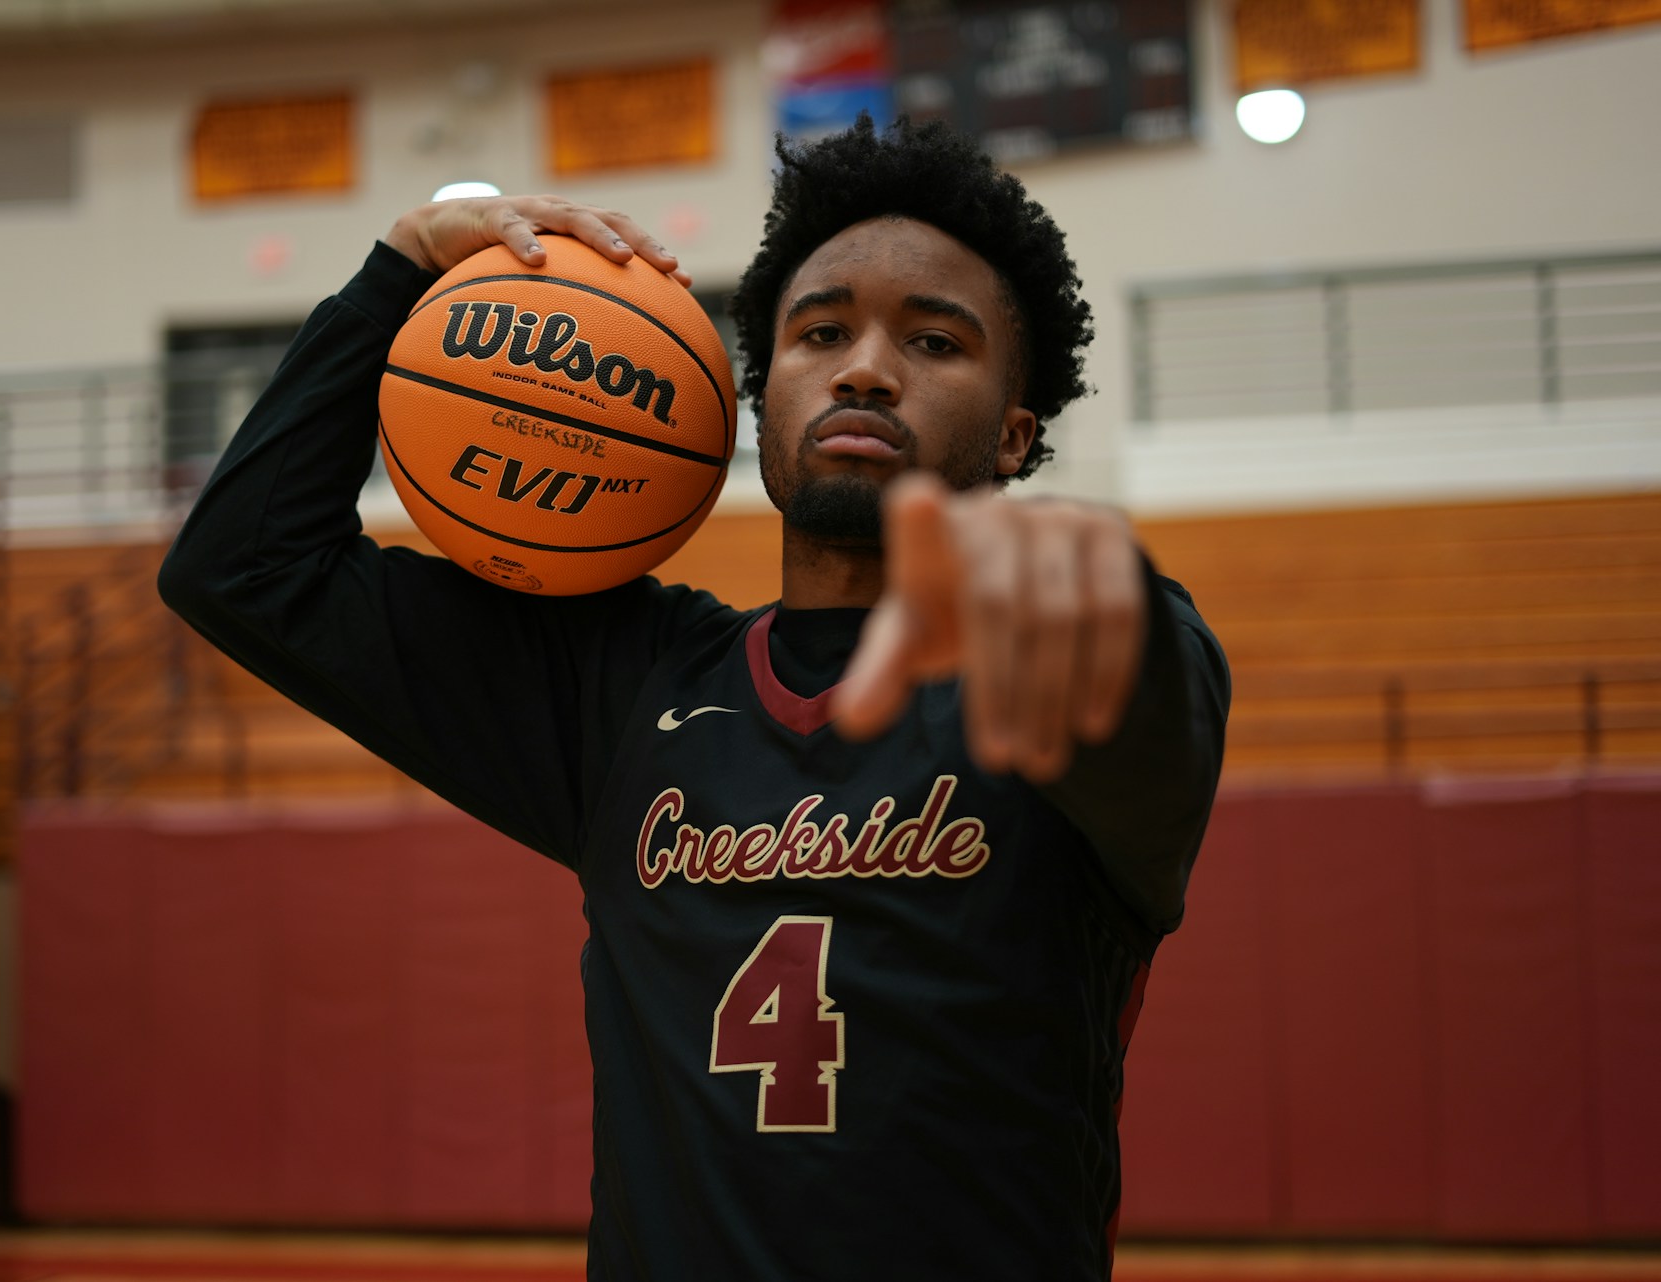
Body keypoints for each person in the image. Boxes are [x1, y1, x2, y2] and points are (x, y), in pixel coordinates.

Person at [160, 116, 1229, 1280]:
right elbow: (244, 569)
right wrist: (403, 268)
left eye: (934, 342)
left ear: (1017, 434)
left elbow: (1131, 685)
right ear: (760, 403)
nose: (865, 366)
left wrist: (1084, 588)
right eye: (822, 333)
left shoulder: (1072, 651)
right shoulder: (627, 687)